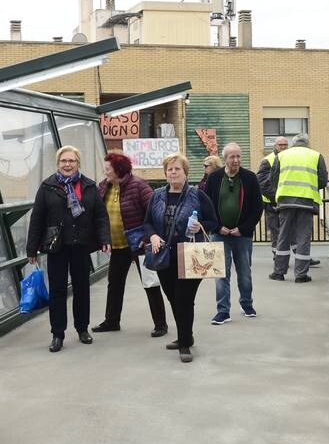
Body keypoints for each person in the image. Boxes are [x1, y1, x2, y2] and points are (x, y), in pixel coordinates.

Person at [26, 145, 111, 353]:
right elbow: (37, 218)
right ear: (58, 163)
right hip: (57, 247)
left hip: (81, 245)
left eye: (71, 161)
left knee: (82, 288)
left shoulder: (89, 186)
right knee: (57, 291)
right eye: (63, 161)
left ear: (77, 163)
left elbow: (100, 216)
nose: (67, 164)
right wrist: (32, 248)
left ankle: (82, 329)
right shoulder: (47, 187)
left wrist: (104, 238)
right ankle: (58, 334)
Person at [144, 153, 219, 362]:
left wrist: (200, 225)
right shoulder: (157, 195)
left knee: (184, 299)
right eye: (170, 169)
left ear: (185, 173)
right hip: (165, 256)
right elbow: (147, 222)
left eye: (178, 169)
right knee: (173, 298)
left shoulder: (197, 195)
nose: (173, 172)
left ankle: (184, 343)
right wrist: (153, 235)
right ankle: (186, 335)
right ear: (165, 173)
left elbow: (213, 221)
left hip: (190, 255)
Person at [92, 151, 169, 337]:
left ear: (118, 169)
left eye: (108, 168)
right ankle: (112, 321)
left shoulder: (139, 186)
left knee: (150, 283)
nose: (105, 172)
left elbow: (155, 213)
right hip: (118, 245)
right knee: (115, 283)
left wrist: (148, 237)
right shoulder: (104, 186)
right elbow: (99, 214)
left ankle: (161, 324)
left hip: (140, 245)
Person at [202, 142, 263, 323]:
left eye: (238, 156)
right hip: (219, 234)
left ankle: (247, 304)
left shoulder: (250, 178)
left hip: (242, 236)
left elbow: (257, 207)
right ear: (224, 159)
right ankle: (223, 310)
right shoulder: (214, 178)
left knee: (244, 272)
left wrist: (243, 228)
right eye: (232, 157)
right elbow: (206, 206)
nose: (236, 160)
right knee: (221, 274)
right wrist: (216, 226)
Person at [265, 132, 328, 283]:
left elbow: (273, 179)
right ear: (307, 143)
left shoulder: (282, 156)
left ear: (293, 143)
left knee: (283, 236)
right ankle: (300, 275)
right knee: (303, 237)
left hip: (285, 201)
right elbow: (323, 180)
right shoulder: (316, 156)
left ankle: (279, 272)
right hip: (306, 201)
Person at [256, 135, 289, 251]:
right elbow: (263, 183)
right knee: (276, 231)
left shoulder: (289, 158)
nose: (283, 147)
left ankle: (301, 256)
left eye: (285, 145)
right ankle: (277, 256)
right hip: (272, 203)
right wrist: (276, 198)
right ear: (275, 146)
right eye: (281, 145)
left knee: (291, 230)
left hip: (287, 201)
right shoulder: (268, 160)